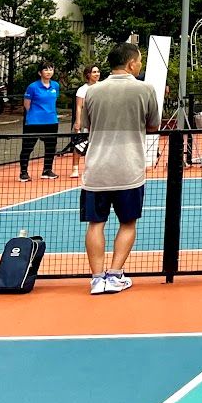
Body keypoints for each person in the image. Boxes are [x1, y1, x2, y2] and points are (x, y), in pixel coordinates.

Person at [80, 42, 161, 295]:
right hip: (129, 168)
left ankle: (97, 279)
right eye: (139, 61)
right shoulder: (145, 89)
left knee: (95, 224)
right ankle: (115, 275)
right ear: (131, 63)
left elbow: (86, 124)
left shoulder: (92, 91)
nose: (140, 65)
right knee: (128, 223)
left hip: (96, 169)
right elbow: (153, 125)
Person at [18, 61, 61, 182]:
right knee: (28, 147)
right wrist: (34, 114)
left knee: (50, 147)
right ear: (40, 72)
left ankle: (47, 170)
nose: (49, 72)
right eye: (46, 69)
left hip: (51, 121)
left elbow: (54, 100)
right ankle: (23, 172)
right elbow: (27, 104)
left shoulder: (55, 85)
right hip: (34, 122)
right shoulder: (32, 87)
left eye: (51, 69)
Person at [70, 63, 101, 179]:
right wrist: (78, 122)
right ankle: (75, 169)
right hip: (85, 121)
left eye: (98, 72)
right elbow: (79, 107)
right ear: (88, 75)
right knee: (79, 144)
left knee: (98, 146)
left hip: (98, 121)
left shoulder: (102, 87)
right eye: (94, 72)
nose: (97, 74)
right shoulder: (82, 89)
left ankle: (94, 169)